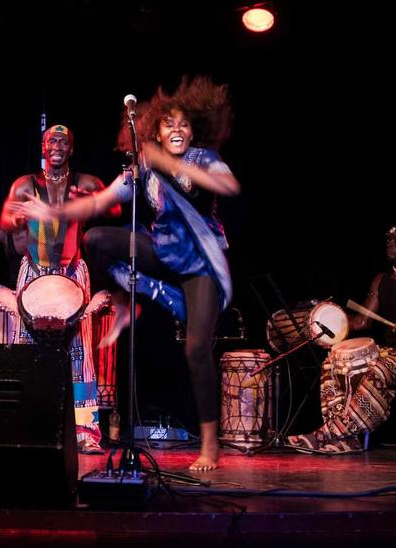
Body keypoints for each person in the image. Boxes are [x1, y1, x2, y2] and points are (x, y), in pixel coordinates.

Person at [18, 78, 239, 470]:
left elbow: (229, 185)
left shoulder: (202, 158)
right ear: (156, 131)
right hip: (162, 253)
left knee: (195, 349)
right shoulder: (143, 170)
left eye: (184, 124)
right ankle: (126, 301)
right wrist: (52, 211)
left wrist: (170, 164)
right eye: (169, 124)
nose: (177, 130)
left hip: (200, 264)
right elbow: (97, 204)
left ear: (194, 131)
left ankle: (210, 443)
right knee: (98, 239)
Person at [0, 124, 119, 454]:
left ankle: (85, 431)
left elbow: (116, 208)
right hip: (34, 273)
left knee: (80, 352)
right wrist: (18, 218)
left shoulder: (86, 183)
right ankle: (24, 425)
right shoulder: (25, 184)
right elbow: (5, 220)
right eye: (51, 140)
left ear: (71, 149)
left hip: (72, 273)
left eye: (63, 141)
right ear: (42, 145)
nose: (57, 146)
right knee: (25, 348)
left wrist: (91, 202)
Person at [287, 222, 396, 453]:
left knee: (378, 370)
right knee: (332, 363)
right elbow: (362, 321)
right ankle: (347, 439)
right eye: (389, 239)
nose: (390, 243)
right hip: (388, 351)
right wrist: (328, 317)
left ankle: (327, 433)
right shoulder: (381, 280)